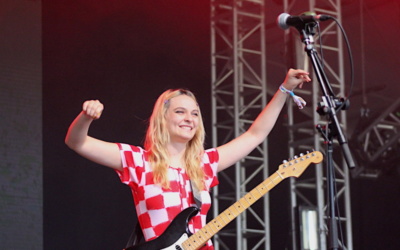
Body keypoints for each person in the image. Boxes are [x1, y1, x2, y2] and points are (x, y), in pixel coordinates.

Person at [65, 68, 311, 249]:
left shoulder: (204, 163)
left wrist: (284, 89)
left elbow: (255, 134)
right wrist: (86, 117)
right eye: (180, 112)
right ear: (163, 118)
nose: (189, 118)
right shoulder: (138, 160)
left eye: (194, 113)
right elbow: (77, 142)